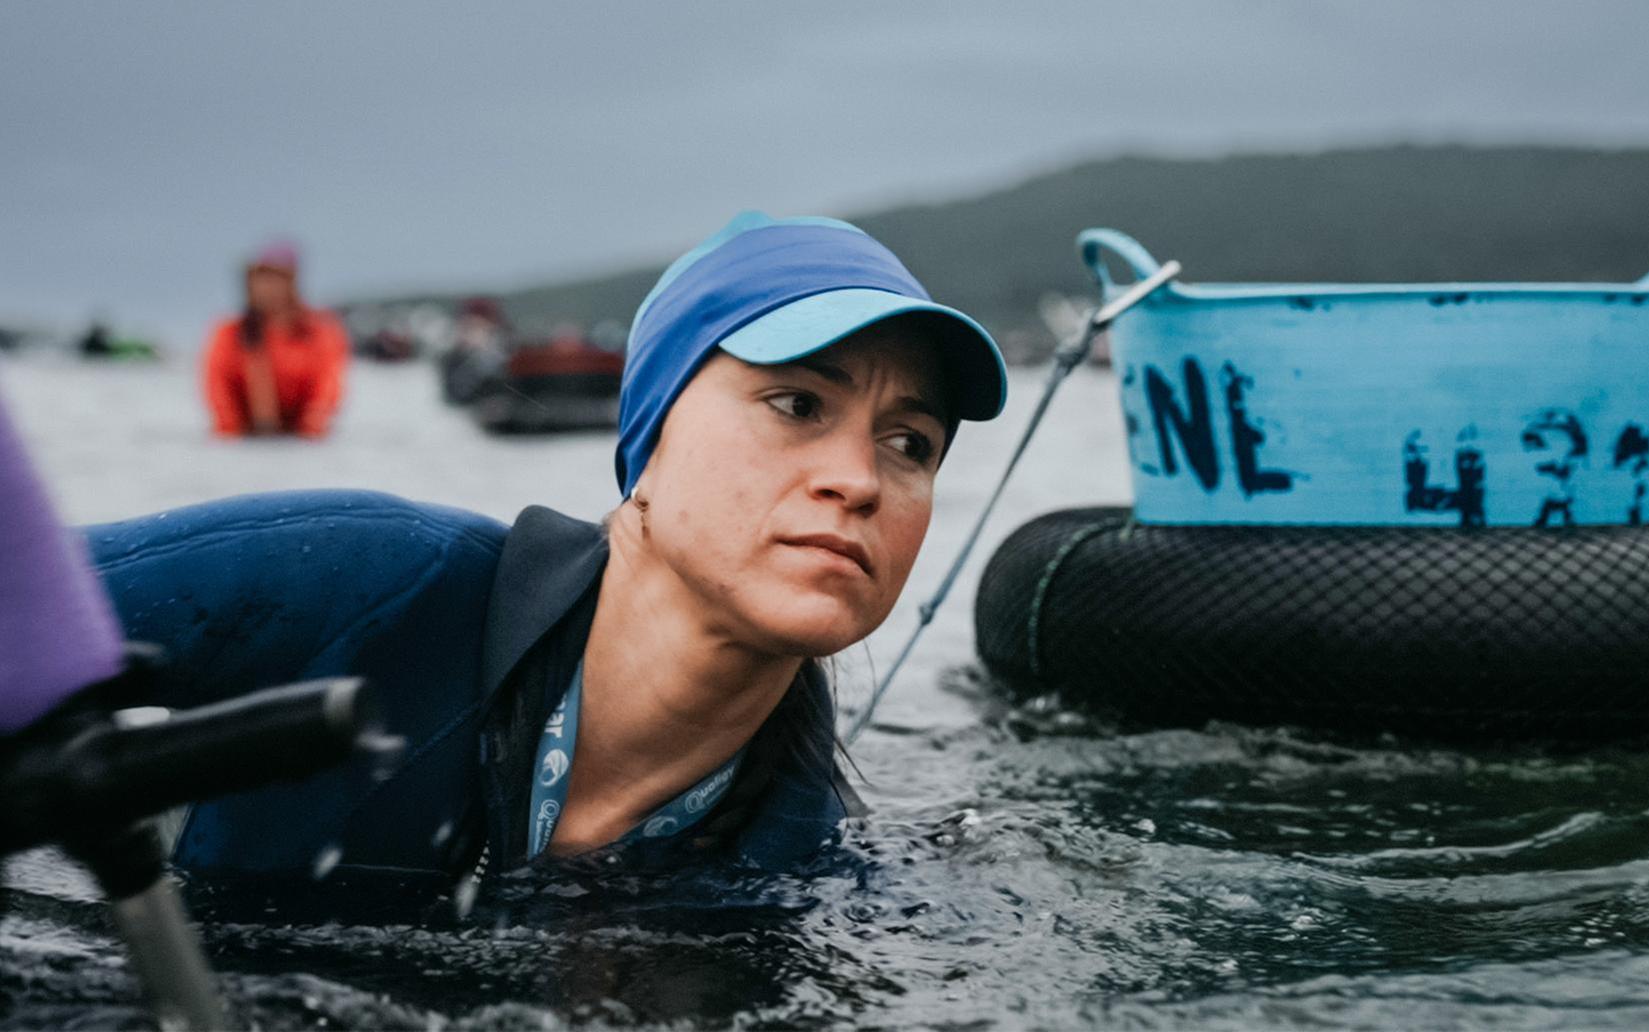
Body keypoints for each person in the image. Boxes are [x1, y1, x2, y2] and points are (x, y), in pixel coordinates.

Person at [85, 212, 1007, 892]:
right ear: (647, 441)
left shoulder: (798, 860)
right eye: (798, 405)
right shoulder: (365, 580)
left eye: (910, 443)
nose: (859, 480)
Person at [201, 241, 350, 438]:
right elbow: (218, 388)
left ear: (291, 283)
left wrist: (312, 427)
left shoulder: (319, 331)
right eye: (262, 279)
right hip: (247, 435)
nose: (268, 288)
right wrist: (229, 430)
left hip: (300, 437)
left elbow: (328, 386)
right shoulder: (230, 332)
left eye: (276, 279)